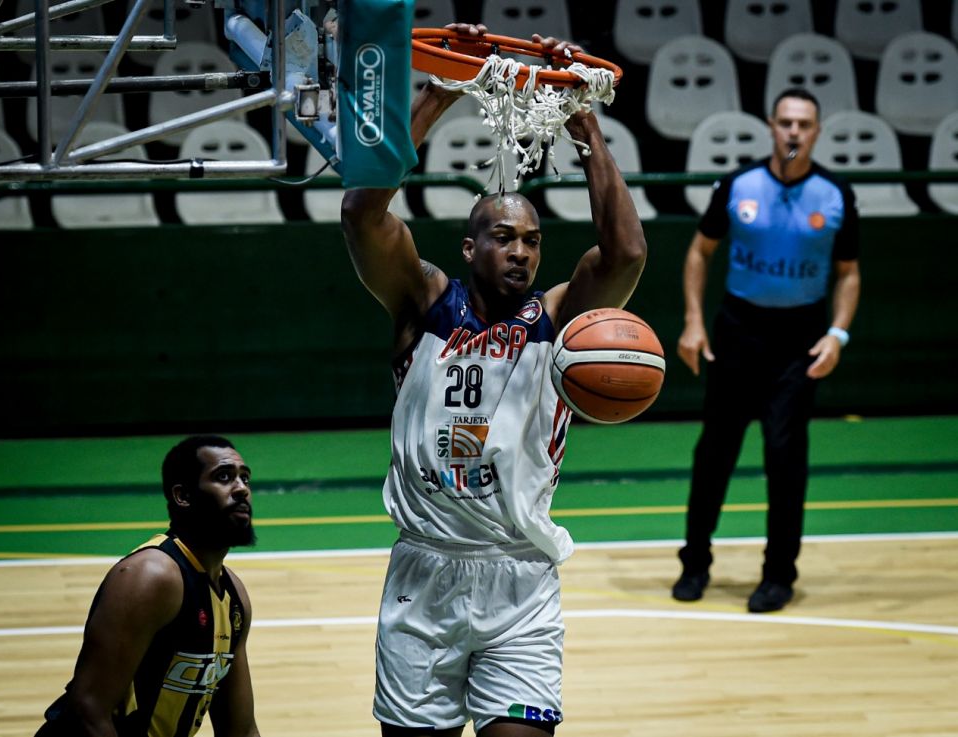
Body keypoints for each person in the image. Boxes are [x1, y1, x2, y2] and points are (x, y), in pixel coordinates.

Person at [340, 23, 648, 737]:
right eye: (504, 237)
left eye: (533, 241)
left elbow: (627, 253)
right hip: (425, 573)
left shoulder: (559, 318)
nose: (521, 252)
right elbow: (362, 213)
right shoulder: (423, 303)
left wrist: (581, 119)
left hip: (521, 576)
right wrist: (440, 90)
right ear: (469, 246)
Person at [672, 88, 861, 613]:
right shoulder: (738, 185)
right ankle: (694, 562)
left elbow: (848, 273)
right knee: (715, 453)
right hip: (738, 333)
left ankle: (778, 575)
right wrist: (693, 321)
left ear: (817, 131)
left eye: (804, 123)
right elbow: (699, 252)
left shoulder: (835, 194)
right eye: (785, 122)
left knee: (785, 456)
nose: (794, 131)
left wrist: (838, 333)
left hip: (800, 340)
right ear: (771, 126)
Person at [35, 435, 261, 737]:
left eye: (245, 478)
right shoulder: (151, 576)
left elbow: (241, 730)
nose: (242, 488)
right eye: (223, 477)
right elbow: (88, 710)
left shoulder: (234, 596)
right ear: (183, 496)